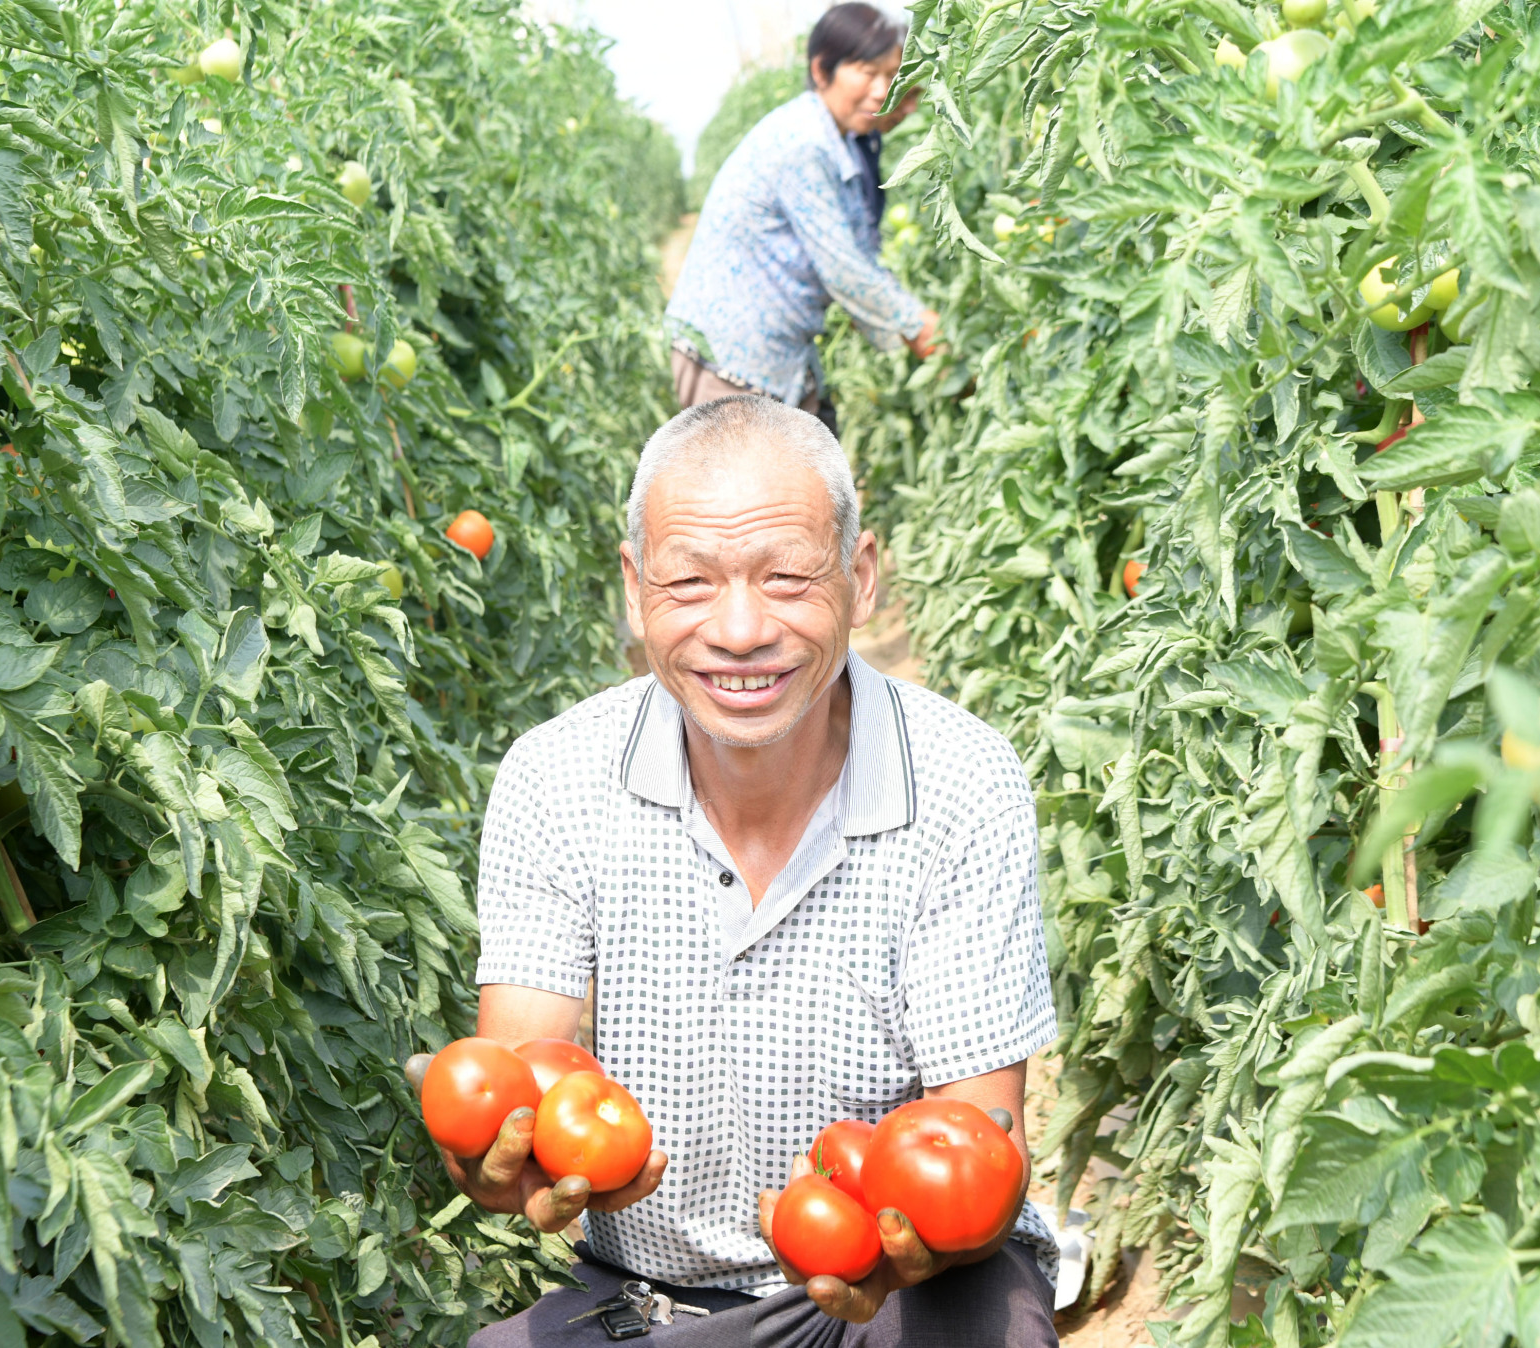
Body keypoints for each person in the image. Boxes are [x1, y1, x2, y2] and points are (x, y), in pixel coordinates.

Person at [415, 397, 1062, 1346]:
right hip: (648, 1300)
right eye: (691, 583)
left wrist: (923, 1236)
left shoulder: (961, 784)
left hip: (895, 1292)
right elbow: (518, 1077)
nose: (742, 629)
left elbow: (976, 1139)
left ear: (862, 575)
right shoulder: (554, 778)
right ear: (635, 590)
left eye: (789, 576)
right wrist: (500, 1161)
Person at [665, 5, 941, 434]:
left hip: (773, 353)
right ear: (821, 69)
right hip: (731, 358)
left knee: (813, 472)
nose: (883, 91)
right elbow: (843, 267)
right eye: (869, 73)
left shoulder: (841, 141)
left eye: (894, 78)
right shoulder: (804, 144)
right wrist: (921, 328)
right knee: (752, 491)